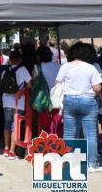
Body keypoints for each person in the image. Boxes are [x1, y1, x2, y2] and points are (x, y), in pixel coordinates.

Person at [56, 42, 102, 172]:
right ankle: (92, 164)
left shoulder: (65, 66)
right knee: (90, 134)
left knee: (69, 133)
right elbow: (97, 87)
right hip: (88, 101)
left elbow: (58, 82)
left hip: (69, 101)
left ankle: (68, 163)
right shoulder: (90, 67)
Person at [2, 50, 32, 160]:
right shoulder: (23, 69)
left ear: (10, 59)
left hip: (6, 101)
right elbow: (29, 84)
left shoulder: (5, 70)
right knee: (15, 126)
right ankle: (11, 151)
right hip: (18, 101)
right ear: (20, 59)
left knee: (7, 125)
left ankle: (5, 148)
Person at [35, 45, 62, 135]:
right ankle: (58, 141)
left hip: (44, 99)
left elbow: (33, 83)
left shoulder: (37, 67)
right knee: (58, 122)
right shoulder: (59, 66)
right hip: (58, 97)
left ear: (38, 56)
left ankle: (49, 142)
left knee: (45, 124)